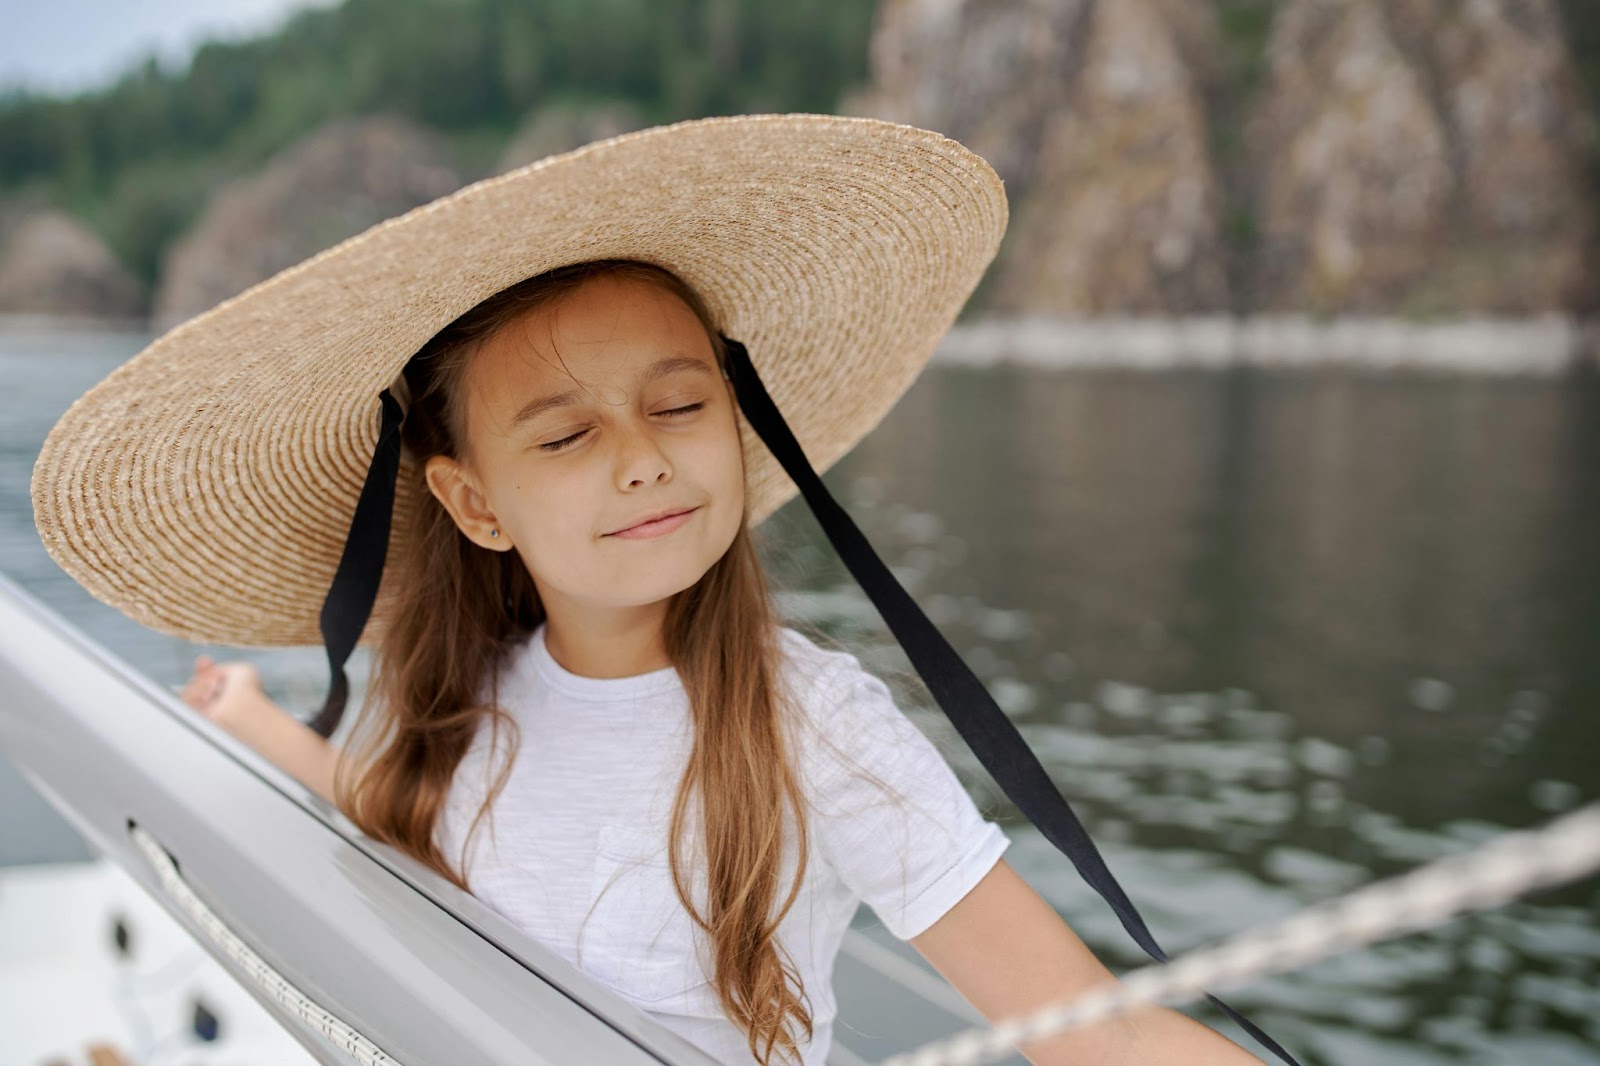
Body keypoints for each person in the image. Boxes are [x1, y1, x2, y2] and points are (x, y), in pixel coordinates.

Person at [39, 116, 1270, 1066]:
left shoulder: (813, 725)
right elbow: (396, 810)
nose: (641, 454)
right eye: (565, 437)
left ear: (736, 425)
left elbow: (1087, 1033)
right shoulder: (473, 693)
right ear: (475, 505)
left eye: (678, 405)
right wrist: (253, 720)